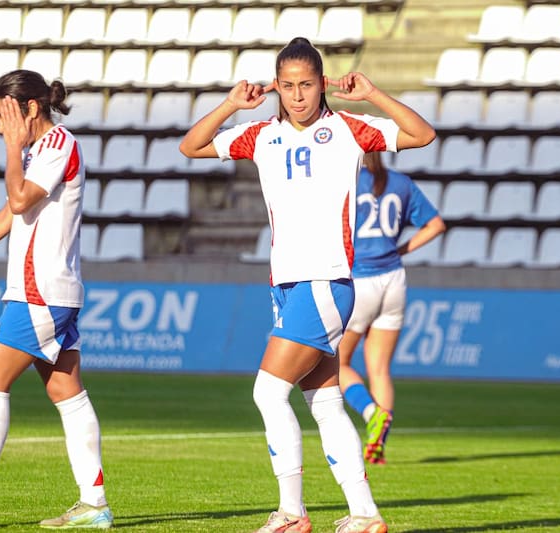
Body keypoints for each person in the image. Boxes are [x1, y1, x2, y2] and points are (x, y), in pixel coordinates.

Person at [180, 37, 435, 533]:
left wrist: (374, 94)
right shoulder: (259, 135)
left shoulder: (346, 129)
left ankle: (292, 513)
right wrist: (231, 104)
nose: (298, 96)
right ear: (276, 86)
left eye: (308, 85)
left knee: (268, 392)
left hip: (325, 281)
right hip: (287, 286)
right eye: (289, 86)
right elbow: (191, 146)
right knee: (325, 400)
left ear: (323, 85)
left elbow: (422, 134)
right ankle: (365, 513)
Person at [0, 70, 112, 530]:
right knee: (65, 391)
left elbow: (17, 201)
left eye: (2, 117)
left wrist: (14, 146)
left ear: (30, 108)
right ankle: (94, 505)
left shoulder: (55, 145)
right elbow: (10, 214)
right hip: (50, 292)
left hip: (40, 292)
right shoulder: (41, 150)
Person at [339, 152, 445, 465]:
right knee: (380, 369)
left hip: (360, 278)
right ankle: (379, 443)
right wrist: (399, 250)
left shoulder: (347, 181)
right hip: (394, 278)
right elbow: (436, 225)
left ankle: (372, 414)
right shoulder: (399, 182)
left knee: (336, 363)